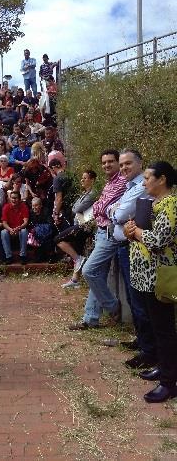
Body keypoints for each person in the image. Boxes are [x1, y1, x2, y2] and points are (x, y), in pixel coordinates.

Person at [124, 161, 177, 403]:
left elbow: (158, 241)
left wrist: (136, 233)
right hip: (144, 275)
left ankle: (169, 381)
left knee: (164, 329)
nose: (143, 183)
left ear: (162, 179)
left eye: (147, 178)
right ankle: (162, 366)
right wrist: (130, 229)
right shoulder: (150, 202)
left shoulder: (170, 204)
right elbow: (139, 230)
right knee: (157, 326)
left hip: (159, 277)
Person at [108, 149, 156, 369]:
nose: (124, 167)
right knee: (132, 298)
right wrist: (115, 211)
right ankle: (142, 342)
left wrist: (115, 212)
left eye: (128, 164)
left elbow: (118, 215)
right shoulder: (128, 187)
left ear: (139, 164)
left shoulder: (140, 188)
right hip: (125, 246)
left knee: (139, 301)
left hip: (135, 248)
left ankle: (148, 351)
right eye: (122, 164)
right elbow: (111, 210)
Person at [69, 149, 127, 330]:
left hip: (109, 234)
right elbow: (98, 207)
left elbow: (101, 208)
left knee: (89, 271)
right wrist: (100, 207)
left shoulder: (122, 182)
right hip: (101, 232)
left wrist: (100, 207)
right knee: (98, 274)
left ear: (118, 163)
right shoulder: (109, 183)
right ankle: (91, 318)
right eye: (104, 163)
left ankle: (113, 306)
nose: (107, 165)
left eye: (111, 161)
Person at [58, 170, 97, 289]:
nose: (82, 180)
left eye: (85, 178)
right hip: (80, 224)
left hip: (85, 226)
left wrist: (77, 209)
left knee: (58, 239)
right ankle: (75, 279)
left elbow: (76, 209)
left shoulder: (93, 194)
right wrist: (77, 209)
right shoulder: (85, 193)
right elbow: (74, 207)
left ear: (92, 180)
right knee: (79, 249)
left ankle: (78, 260)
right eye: (82, 178)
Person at [1, 191, 29, 264]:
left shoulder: (23, 207)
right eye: (12, 198)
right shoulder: (6, 207)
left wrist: (19, 228)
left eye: (15, 198)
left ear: (19, 199)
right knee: (3, 232)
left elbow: (25, 222)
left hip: (20, 229)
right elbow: (4, 223)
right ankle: (8, 257)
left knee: (24, 231)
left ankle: (23, 256)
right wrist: (10, 229)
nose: (14, 200)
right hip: (10, 230)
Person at [28, 197, 53, 262]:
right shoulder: (31, 212)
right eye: (33, 205)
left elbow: (50, 224)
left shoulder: (46, 211)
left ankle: (50, 256)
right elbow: (30, 224)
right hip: (36, 233)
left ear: (41, 205)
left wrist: (39, 228)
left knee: (46, 238)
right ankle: (39, 257)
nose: (34, 207)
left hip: (46, 231)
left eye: (36, 205)